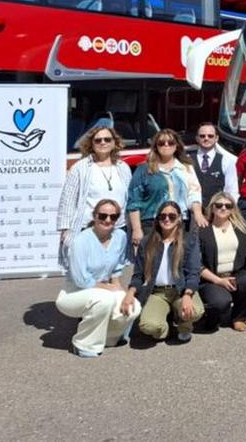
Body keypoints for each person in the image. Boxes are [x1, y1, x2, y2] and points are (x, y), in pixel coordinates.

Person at [55, 199, 140, 357]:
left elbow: (117, 269)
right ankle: (84, 344)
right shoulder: (80, 241)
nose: (107, 220)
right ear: (94, 216)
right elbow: (81, 280)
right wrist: (109, 288)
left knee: (134, 306)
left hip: (103, 289)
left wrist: (121, 292)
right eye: (102, 216)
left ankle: (109, 337)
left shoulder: (120, 236)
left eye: (113, 217)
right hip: (74, 293)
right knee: (105, 299)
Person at [122, 202, 204, 344]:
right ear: (157, 219)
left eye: (172, 216)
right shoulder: (146, 242)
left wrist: (187, 295)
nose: (167, 219)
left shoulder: (188, 240)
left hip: (180, 290)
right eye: (163, 216)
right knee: (149, 326)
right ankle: (167, 329)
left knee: (195, 310)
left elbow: (193, 272)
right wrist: (130, 293)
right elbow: (138, 275)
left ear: (179, 218)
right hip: (157, 292)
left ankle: (184, 326)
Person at [57, 125, 132, 268]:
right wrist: (65, 229)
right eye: (98, 140)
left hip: (118, 228)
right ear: (91, 144)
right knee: (91, 270)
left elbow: (129, 198)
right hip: (89, 228)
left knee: (114, 270)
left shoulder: (123, 167)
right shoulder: (81, 167)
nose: (103, 143)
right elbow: (68, 200)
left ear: (114, 143)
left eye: (107, 139)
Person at [126, 130, 204, 251]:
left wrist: (198, 213)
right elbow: (134, 202)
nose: (166, 145)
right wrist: (136, 229)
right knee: (152, 261)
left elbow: (194, 193)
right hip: (152, 224)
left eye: (170, 142)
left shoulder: (186, 168)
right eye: (161, 143)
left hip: (179, 223)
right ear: (156, 146)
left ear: (176, 145)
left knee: (177, 260)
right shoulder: (144, 169)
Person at [197, 192, 246, 332]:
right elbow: (197, 264)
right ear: (212, 208)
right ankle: (211, 318)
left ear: (232, 209)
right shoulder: (202, 231)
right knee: (220, 302)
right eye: (219, 205)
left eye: (228, 206)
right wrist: (219, 281)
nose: (223, 208)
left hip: (236, 274)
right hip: (212, 278)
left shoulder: (242, 230)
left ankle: (239, 317)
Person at [191, 122, 238, 206]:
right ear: (197, 138)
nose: (206, 138)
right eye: (202, 136)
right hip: (192, 210)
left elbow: (231, 190)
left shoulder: (227, 161)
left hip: (217, 209)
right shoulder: (188, 160)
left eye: (210, 136)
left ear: (216, 138)